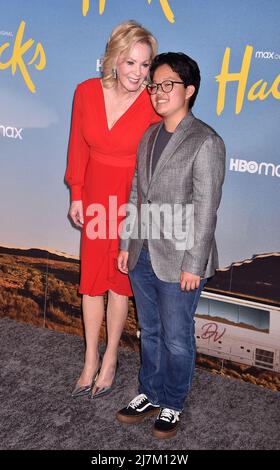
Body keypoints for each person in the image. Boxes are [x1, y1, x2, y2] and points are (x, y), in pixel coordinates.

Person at [116, 52, 226, 438]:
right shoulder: (149, 134)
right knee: (150, 330)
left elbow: (206, 210)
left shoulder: (206, 141)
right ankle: (150, 392)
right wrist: (128, 241)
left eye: (168, 85)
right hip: (143, 253)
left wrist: (194, 263)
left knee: (178, 338)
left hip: (181, 259)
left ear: (189, 90)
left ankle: (173, 402)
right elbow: (136, 194)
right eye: (154, 85)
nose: (158, 93)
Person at [65, 21, 160, 399]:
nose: (138, 73)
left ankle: (110, 360)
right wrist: (77, 193)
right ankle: (90, 358)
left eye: (145, 65)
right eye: (131, 63)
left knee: (120, 283)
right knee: (91, 283)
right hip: (94, 195)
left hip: (129, 200)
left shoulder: (153, 103)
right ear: (115, 60)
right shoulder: (86, 92)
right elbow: (78, 147)